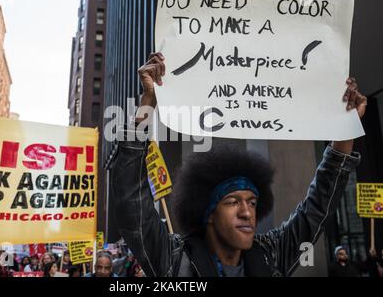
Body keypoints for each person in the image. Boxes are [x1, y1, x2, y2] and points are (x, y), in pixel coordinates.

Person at [111, 52, 366, 277]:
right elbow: (131, 200)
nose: (247, 212)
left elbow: (318, 208)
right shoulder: (173, 258)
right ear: (208, 212)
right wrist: (148, 102)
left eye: (252, 202)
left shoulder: (272, 254)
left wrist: (345, 125)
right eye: (232, 202)